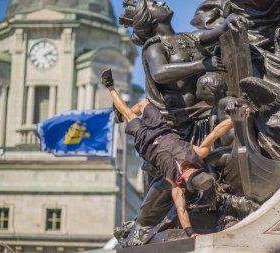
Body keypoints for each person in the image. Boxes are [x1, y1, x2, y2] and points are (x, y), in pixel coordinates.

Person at [102, 70, 245, 238]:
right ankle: (118, 114)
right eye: (193, 172)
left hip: (146, 142)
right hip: (162, 129)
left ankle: (110, 87)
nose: (189, 173)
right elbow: (216, 133)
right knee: (143, 103)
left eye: (189, 176)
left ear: (188, 180)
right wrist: (237, 117)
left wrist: (191, 233)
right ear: (197, 171)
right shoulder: (197, 153)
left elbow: (181, 209)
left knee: (129, 113)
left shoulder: (176, 183)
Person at [119, 0, 247, 143]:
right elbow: (159, 73)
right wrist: (201, 65)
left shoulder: (190, 37)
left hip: (206, 110)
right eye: (155, 4)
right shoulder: (155, 47)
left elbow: (220, 30)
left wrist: (229, 20)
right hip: (178, 123)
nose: (162, 2)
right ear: (150, 18)